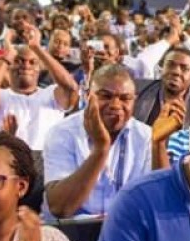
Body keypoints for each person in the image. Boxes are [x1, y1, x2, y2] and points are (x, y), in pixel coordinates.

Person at [42, 64, 151, 218]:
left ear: (135, 101)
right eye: (105, 96)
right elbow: (61, 208)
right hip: (71, 229)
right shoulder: (62, 133)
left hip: (124, 227)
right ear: (87, 96)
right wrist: (101, 150)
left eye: (125, 98)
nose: (115, 105)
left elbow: (152, 202)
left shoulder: (146, 136)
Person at [0, 26, 80, 150]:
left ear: (39, 68)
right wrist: (6, 59)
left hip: (46, 159)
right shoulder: (0, 95)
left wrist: (37, 48)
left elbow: (71, 88)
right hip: (9, 157)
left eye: (33, 62)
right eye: (19, 61)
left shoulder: (51, 94)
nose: (26, 66)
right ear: (9, 65)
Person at [132, 46, 190, 127]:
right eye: (170, 65)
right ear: (162, 68)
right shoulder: (137, 89)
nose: (176, 71)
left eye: (184, 68)